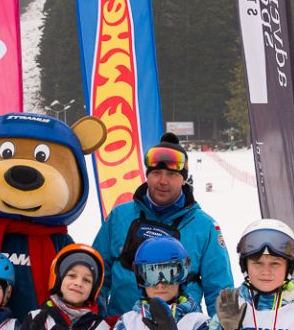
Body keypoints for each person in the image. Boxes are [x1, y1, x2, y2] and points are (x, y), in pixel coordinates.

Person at [91, 132, 234, 318]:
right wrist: (96, 322)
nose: (163, 181)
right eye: (156, 173)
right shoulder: (120, 216)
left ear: (184, 179)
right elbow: (96, 274)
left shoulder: (204, 227)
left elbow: (219, 290)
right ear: (147, 176)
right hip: (121, 327)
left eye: (172, 174)